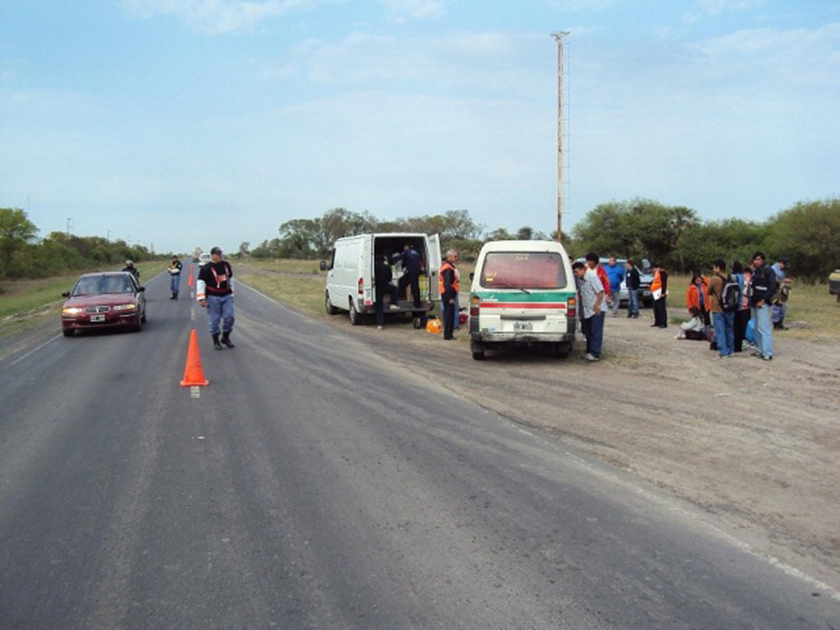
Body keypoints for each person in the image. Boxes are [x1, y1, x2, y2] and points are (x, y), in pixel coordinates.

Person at [197, 246, 235, 351]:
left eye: (220, 254)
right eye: (217, 254)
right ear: (212, 255)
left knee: (229, 317)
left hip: (226, 295)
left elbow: (231, 279)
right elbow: (201, 282)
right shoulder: (206, 268)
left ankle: (226, 337)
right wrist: (201, 298)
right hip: (213, 297)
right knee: (214, 320)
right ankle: (216, 340)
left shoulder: (226, 265)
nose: (219, 256)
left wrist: (232, 294)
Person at [573, 261, 606, 362]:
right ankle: (589, 351)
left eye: (577, 272)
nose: (576, 274)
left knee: (595, 331)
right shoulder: (580, 280)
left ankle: (595, 353)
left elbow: (600, 291)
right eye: (574, 272)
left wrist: (597, 305)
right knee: (588, 331)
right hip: (587, 309)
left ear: (583, 270)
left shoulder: (592, 277)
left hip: (596, 308)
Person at [748, 251, 777, 361]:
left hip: (763, 303)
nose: (756, 261)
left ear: (763, 260)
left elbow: (772, 287)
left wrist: (764, 300)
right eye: (755, 259)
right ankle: (760, 349)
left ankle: (767, 353)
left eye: (758, 259)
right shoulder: (756, 272)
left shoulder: (769, 271)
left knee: (764, 328)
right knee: (756, 328)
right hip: (755, 302)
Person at [708, 259, 735, 358]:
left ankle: (723, 351)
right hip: (729, 307)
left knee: (720, 330)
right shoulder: (731, 277)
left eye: (714, 267)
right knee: (729, 329)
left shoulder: (714, 279)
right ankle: (731, 349)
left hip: (718, 307)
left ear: (718, 268)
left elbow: (708, 291)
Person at [393, 243, 424, 313]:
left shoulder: (407, 252)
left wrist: (391, 260)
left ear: (407, 247)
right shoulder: (416, 252)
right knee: (403, 281)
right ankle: (402, 296)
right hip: (417, 270)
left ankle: (417, 304)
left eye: (404, 247)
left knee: (413, 286)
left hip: (412, 270)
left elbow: (399, 257)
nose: (404, 248)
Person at [374, 254, 400, 329]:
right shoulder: (387, 267)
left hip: (377, 288)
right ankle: (393, 303)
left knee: (379, 306)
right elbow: (389, 278)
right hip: (385, 286)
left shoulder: (374, 267)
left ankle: (380, 324)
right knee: (394, 289)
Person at [439, 249, 459, 340]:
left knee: (448, 314)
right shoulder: (448, 269)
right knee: (449, 315)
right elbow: (447, 284)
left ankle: (448, 334)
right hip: (448, 294)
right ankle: (448, 335)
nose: (456, 258)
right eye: (455, 256)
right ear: (449, 257)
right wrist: (451, 297)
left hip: (445, 293)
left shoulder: (446, 266)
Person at [731, 261, 752, 353]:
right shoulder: (745, 277)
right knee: (741, 326)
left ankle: (734, 345)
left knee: (734, 326)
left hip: (735, 304)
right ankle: (740, 344)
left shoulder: (734, 277)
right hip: (745, 305)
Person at [771, 256, 791, 330]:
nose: (785, 267)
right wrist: (784, 281)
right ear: (781, 263)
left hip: (782, 290)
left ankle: (780, 324)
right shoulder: (773, 269)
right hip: (775, 290)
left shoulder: (781, 270)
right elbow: (773, 281)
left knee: (783, 307)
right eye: (785, 265)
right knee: (776, 307)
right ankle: (776, 324)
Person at [650, 262, 669, 328]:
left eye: (653, 269)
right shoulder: (657, 274)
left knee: (661, 308)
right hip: (655, 293)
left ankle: (663, 323)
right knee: (656, 308)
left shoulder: (663, 273)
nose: (652, 270)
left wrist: (663, 293)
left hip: (660, 292)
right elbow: (655, 281)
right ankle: (657, 322)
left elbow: (664, 283)